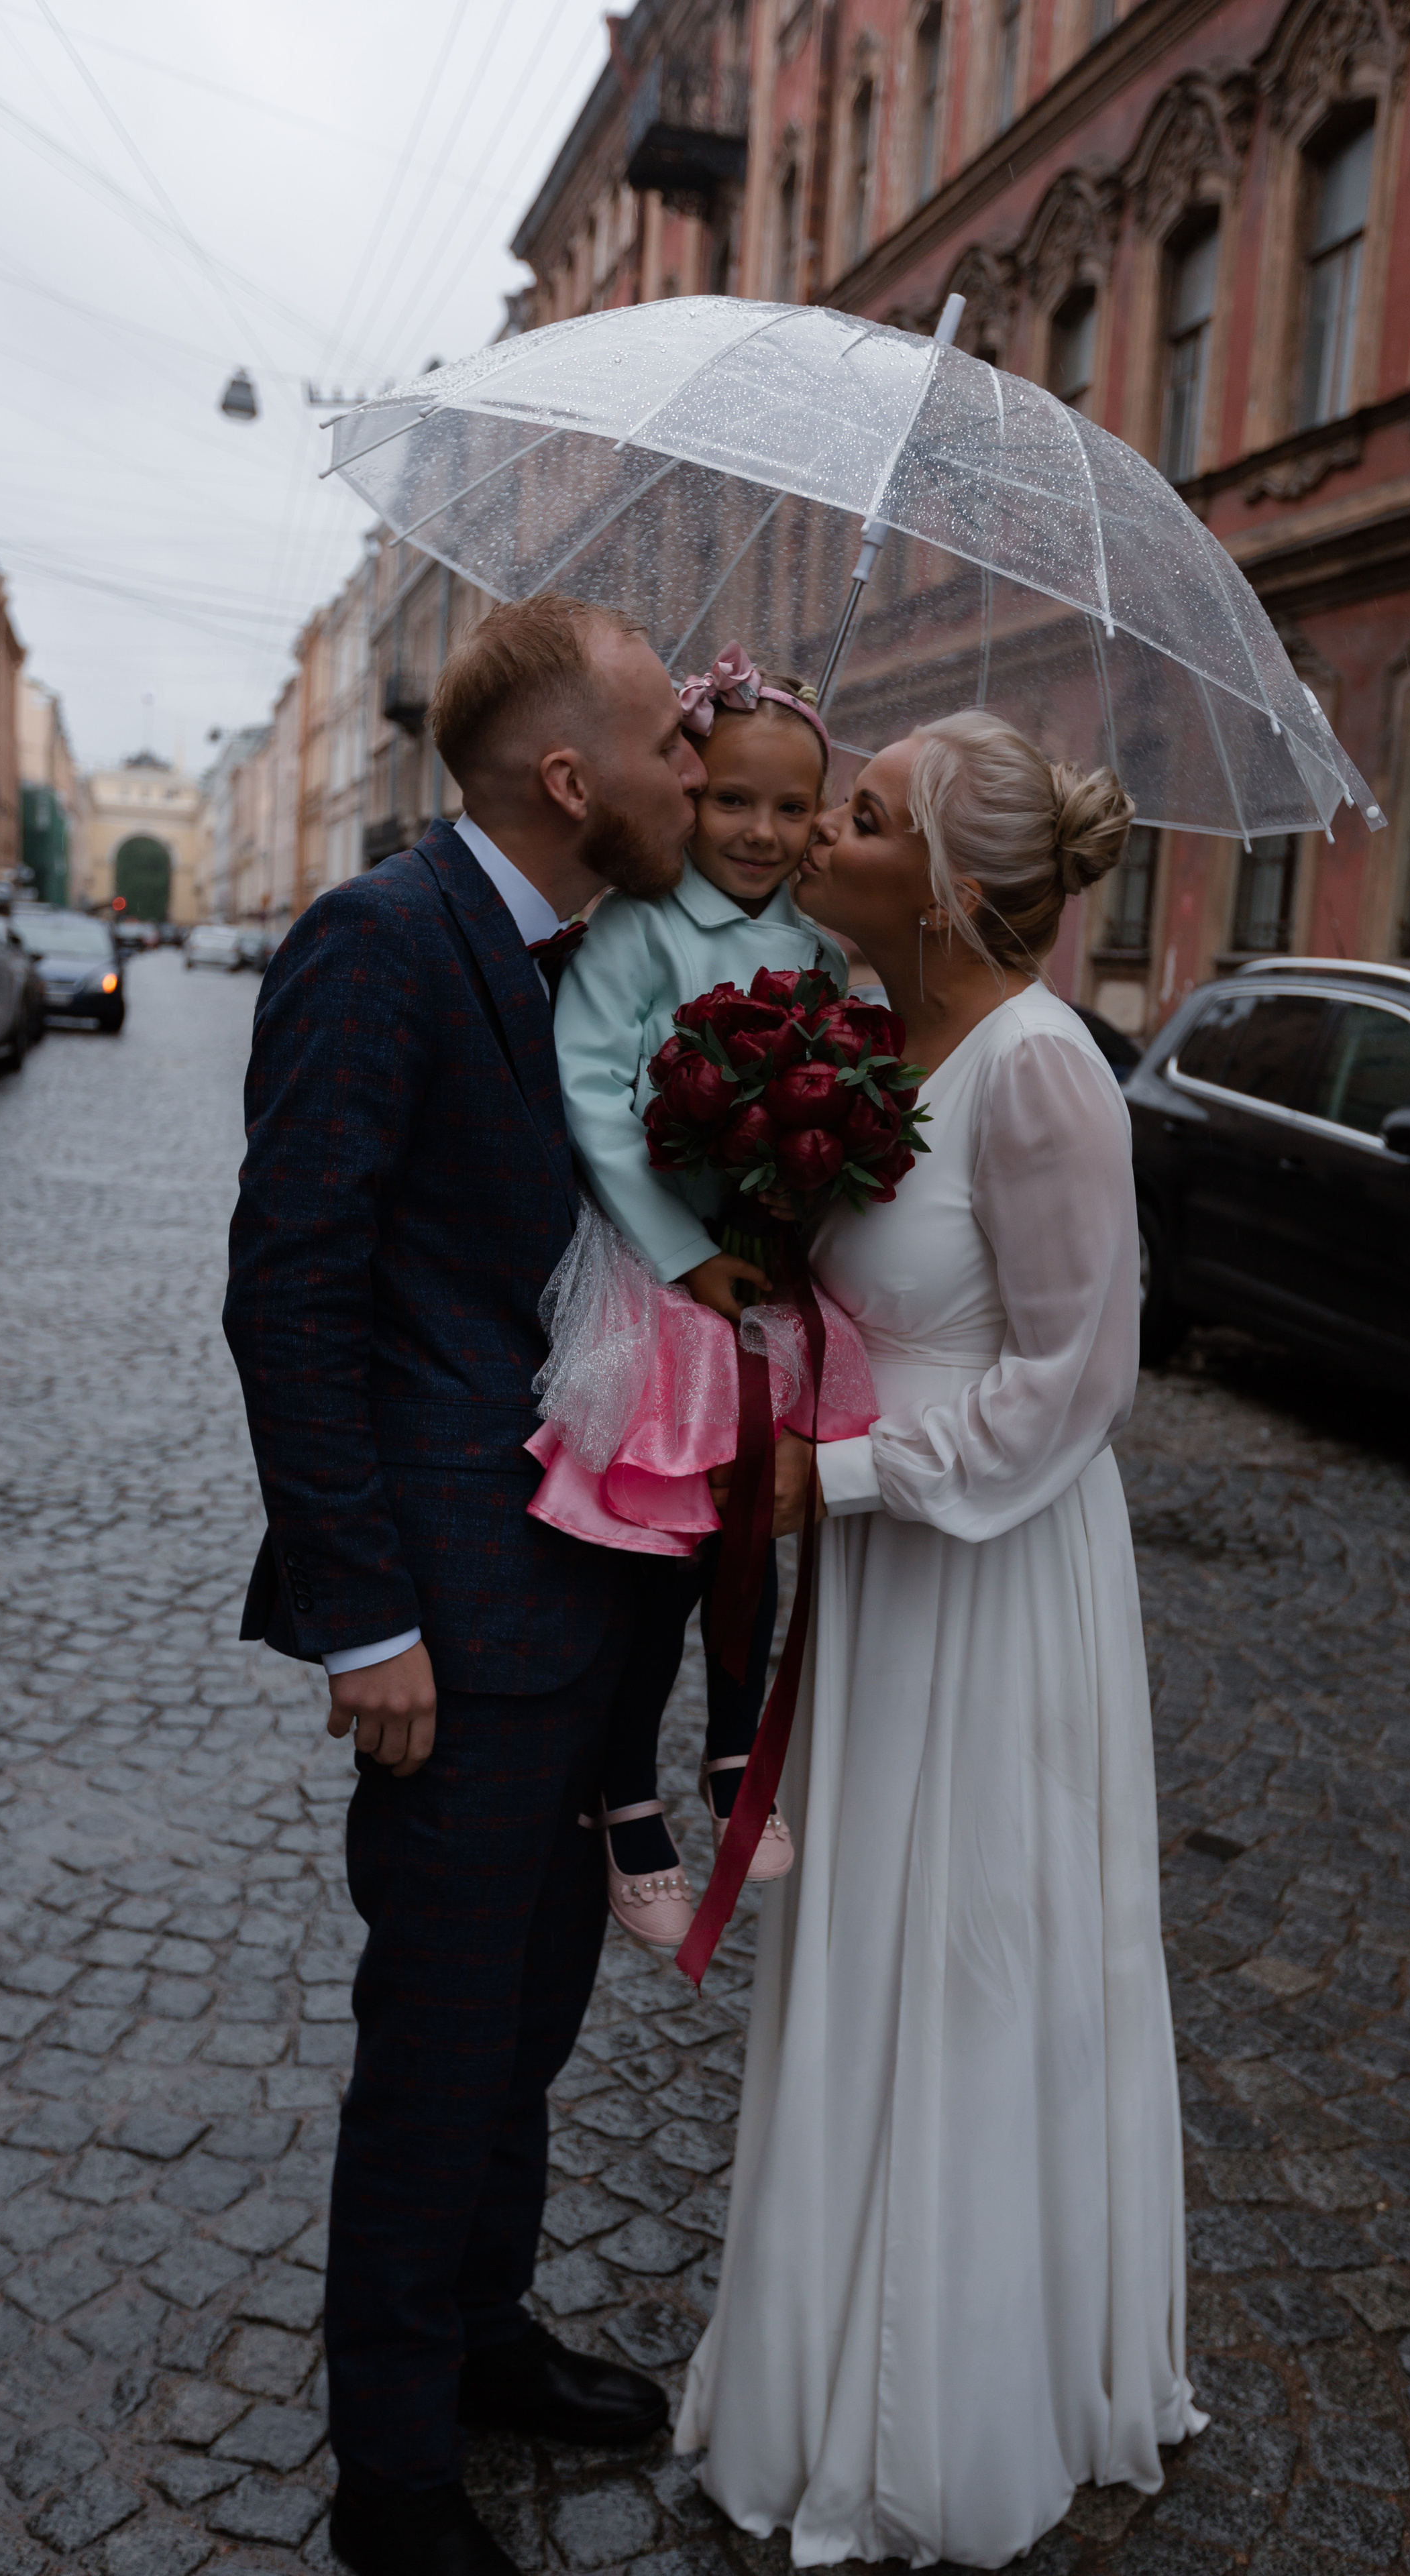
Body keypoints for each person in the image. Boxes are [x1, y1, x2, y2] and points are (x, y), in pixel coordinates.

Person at [676, 710, 1205, 2567]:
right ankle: (823, 2349)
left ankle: (958, 2398)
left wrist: (843, 1476)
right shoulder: (864, 1033)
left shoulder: (1041, 1070)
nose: (819, 831)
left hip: (985, 1572)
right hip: (880, 1567)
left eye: (862, 814)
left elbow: (1077, 1380)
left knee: (972, 1943)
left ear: (951, 884)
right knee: (866, 1938)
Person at [223, 592, 708, 2576]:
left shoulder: (598, 964)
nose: (700, 768)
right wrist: (367, 1617)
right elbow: (291, 1291)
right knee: (436, 2048)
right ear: (571, 780)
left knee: (526, 2019)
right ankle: (396, 2476)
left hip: (592, 1601)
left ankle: (485, 2331)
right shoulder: (382, 939)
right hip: (448, 1623)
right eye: (672, 741)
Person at [550, 644, 848, 1946]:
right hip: (655, 1280)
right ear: (688, 792)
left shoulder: (819, 951)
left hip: (761, 1280)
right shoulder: (640, 924)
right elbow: (588, 1090)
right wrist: (684, 1252)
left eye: (790, 807)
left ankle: (737, 1749)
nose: (760, 831)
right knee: (653, 1566)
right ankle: (622, 1788)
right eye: (732, 800)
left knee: (752, 1526)